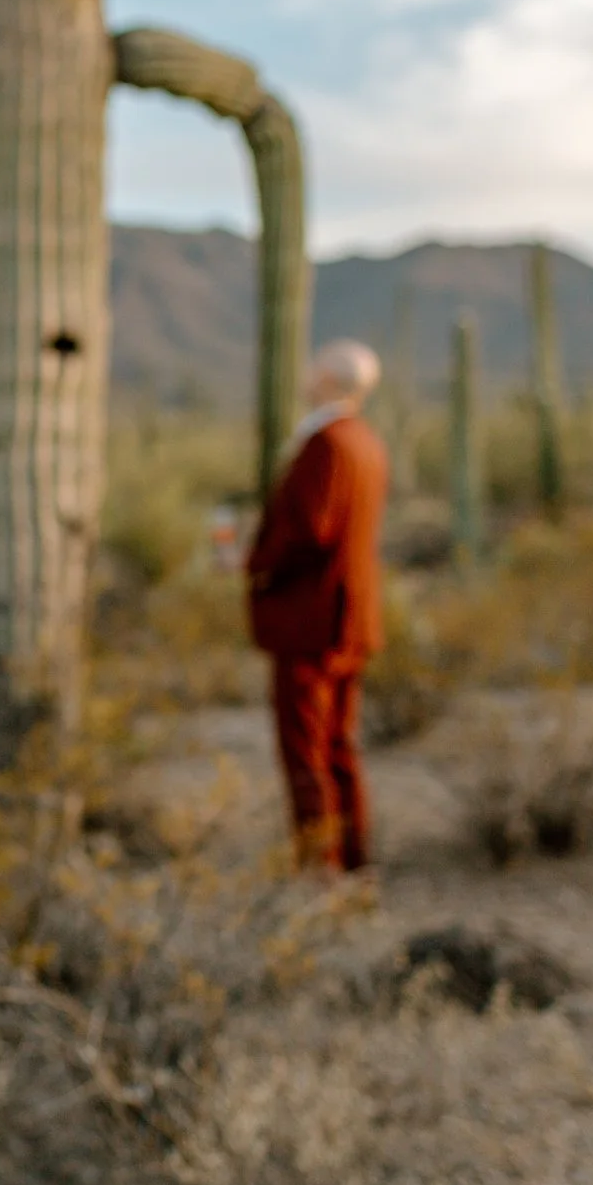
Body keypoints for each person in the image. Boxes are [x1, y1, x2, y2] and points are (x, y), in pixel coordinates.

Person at [245, 340, 388, 876]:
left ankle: (319, 871)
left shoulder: (326, 444)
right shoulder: (366, 442)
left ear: (329, 377)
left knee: (306, 749)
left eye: (314, 365)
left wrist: (258, 562)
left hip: (313, 620)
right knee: (337, 745)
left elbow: (310, 529)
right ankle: (351, 859)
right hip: (350, 619)